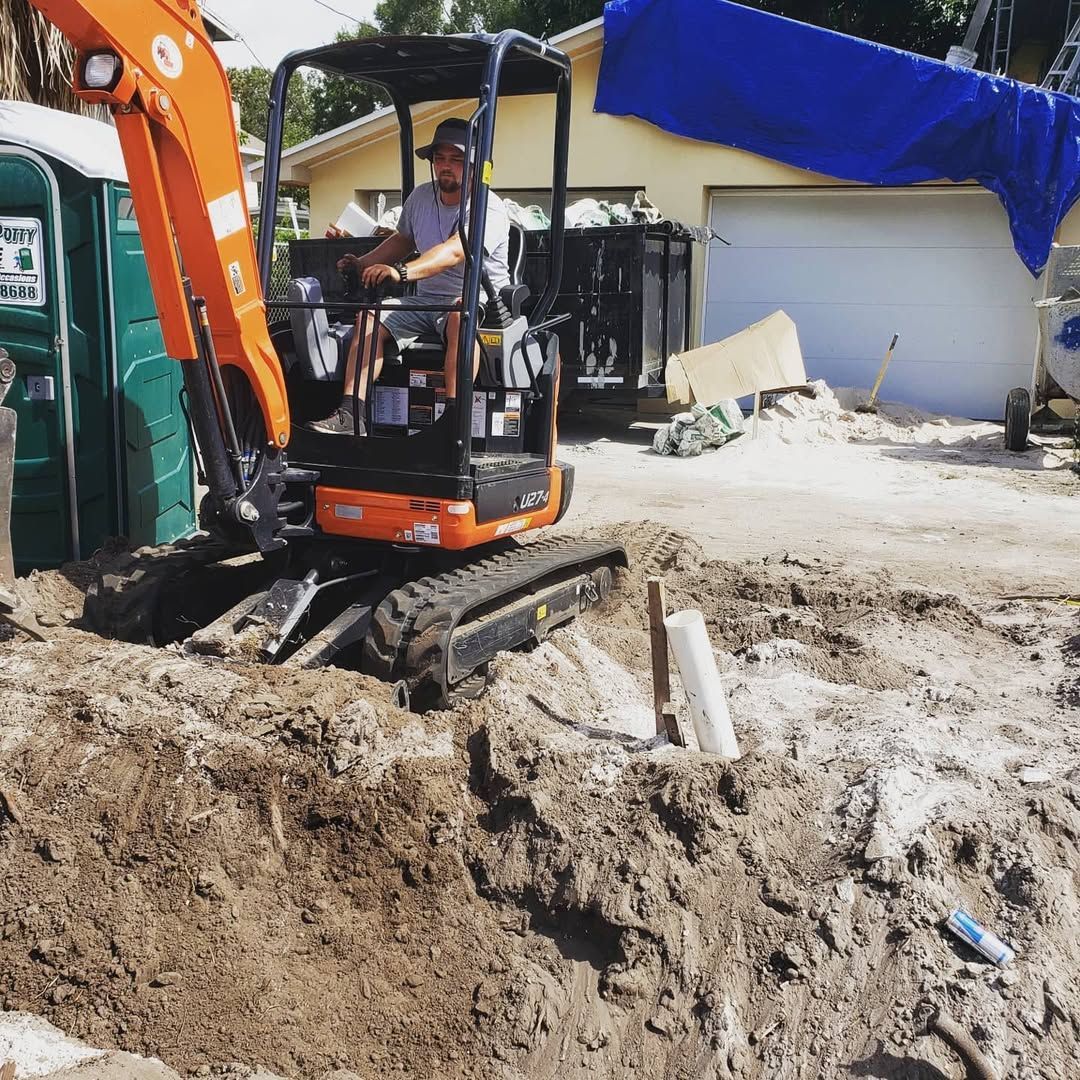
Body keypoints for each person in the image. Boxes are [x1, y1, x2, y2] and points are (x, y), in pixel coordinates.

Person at [309, 117, 511, 435]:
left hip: (475, 299)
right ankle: (351, 415)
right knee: (370, 317)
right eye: (440, 158)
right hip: (425, 301)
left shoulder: (490, 209)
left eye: (457, 160)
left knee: (462, 316)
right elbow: (402, 240)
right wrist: (362, 264)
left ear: (474, 166)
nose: (446, 166)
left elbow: (456, 251)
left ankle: (453, 425)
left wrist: (402, 272)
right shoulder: (420, 198)